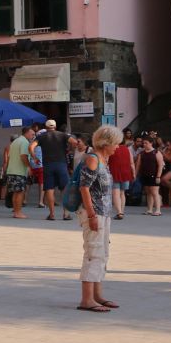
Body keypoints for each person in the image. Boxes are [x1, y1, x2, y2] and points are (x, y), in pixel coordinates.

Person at [75, 125, 123, 312]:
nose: (117, 147)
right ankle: (87, 299)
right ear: (106, 143)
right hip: (93, 213)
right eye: (116, 143)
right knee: (93, 253)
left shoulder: (103, 160)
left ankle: (97, 295)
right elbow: (84, 188)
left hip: (104, 213)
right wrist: (92, 215)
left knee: (102, 253)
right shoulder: (93, 159)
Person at [36, 121, 70, 221]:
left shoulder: (41, 136)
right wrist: (69, 150)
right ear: (55, 126)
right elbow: (74, 142)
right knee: (64, 188)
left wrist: (34, 157)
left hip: (48, 165)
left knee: (49, 189)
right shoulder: (62, 135)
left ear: (46, 127)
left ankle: (52, 214)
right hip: (61, 164)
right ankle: (66, 214)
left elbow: (31, 147)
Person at [2, 126, 33, 219]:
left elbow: (9, 157)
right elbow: (23, 156)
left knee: (15, 192)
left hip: (11, 171)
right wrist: (29, 167)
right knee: (20, 192)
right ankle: (18, 212)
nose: (33, 136)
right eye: (32, 134)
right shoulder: (24, 142)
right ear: (26, 133)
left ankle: (16, 212)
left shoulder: (15, 142)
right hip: (19, 171)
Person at [107, 133, 135, 219]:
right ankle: (122, 211)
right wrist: (134, 173)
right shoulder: (127, 149)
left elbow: (106, 161)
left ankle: (119, 212)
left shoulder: (112, 148)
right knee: (122, 193)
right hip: (125, 173)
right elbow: (131, 163)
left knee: (116, 193)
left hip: (114, 172)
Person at [139, 138, 165, 215]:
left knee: (154, 192)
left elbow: (160, 165)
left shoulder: (156, 152)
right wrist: (135, 174)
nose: (144, 144)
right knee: (148, 193)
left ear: (151, 143)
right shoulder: (142, 153)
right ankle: (149, 209)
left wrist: (158, 176)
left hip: (154, 175)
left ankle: (158, 210)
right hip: (145, 174)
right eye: (143, 143)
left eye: (146, 143)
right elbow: (138, 165)